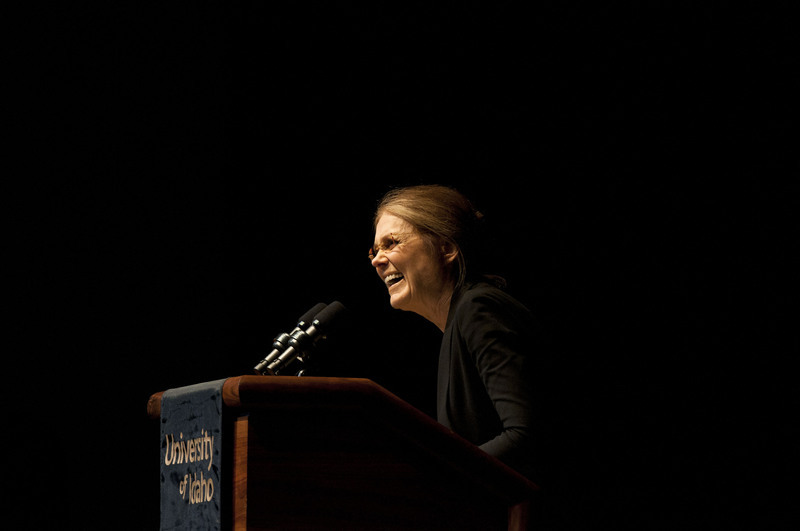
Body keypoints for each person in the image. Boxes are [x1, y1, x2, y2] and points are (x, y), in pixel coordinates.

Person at [369, 184, 548, 481]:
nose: (377, 260)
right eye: (375, 250)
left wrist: (433, 479)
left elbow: (526, 435)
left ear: (447, 248)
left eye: (391, 243)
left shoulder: (478, 308)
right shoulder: (458, 321)